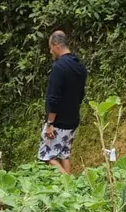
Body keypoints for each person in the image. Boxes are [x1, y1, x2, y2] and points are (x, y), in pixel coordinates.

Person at [39, 31, 88, 174]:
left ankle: (69, 185)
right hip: (73, 119)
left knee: (47, 156)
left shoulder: (59, 67)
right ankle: (68, 191)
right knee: (64, 155)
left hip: (58, 122)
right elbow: (80, 94)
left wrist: (50, 124)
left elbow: (53, 98)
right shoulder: (79, 66)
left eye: (50, 47)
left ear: (56, 45)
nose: (50, 51)